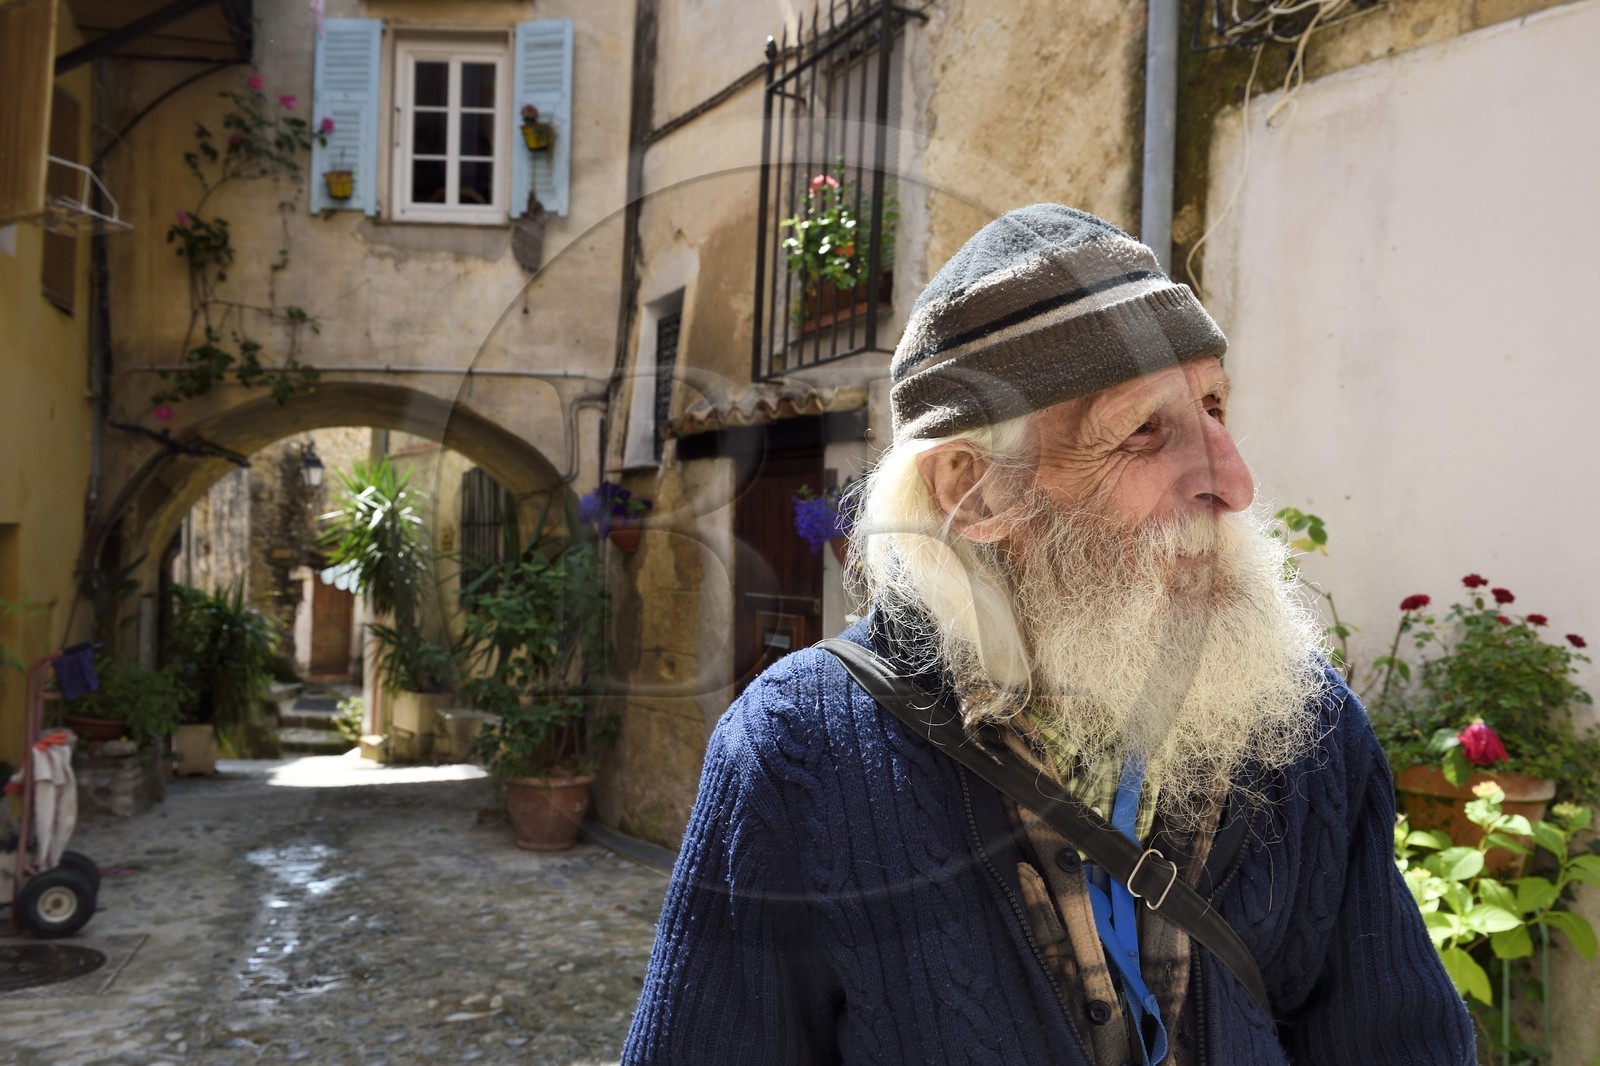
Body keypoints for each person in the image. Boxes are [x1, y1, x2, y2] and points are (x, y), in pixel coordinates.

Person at [622, 205, 1474, 1064]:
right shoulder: (795, 754)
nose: (1235, 481)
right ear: (978, 492)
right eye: (1144, 429)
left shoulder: (1303, 725)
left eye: (1214, 406)